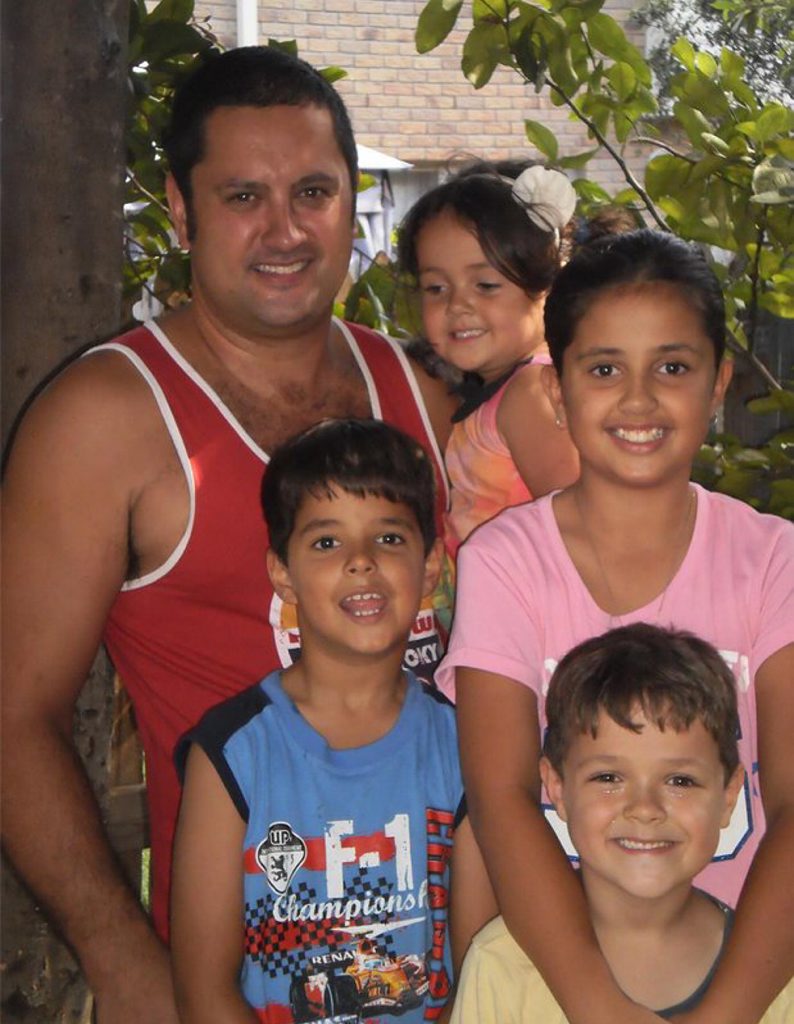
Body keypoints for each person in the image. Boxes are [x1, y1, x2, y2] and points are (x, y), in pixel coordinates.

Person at [1, 46, 454, 1024]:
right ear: (180, 208)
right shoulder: (105, 419)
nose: (284, 229)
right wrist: (124, 959)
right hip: (239, 986)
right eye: (243, 194)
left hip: (441, 970)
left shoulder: (413, 396)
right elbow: (10, 713)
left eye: (314, 190)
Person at [435, 229, 794, 1024]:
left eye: (672, 367)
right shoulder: (507, 562)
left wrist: (725, 1012)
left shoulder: (774, 562)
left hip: (759, 981)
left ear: (718, 383)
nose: (638, 399)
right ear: (557, 392)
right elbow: (502, 799)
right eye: (603, 369)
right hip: (561, 987)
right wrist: (599, 1008)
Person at [170, 419, 495, 1023]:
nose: (361, 563)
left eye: (390, 539)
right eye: (326, 543)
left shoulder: (465, 748)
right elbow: (204, 991)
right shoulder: (231, 753)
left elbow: (480, 968)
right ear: (282, 573)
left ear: (430, 567)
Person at [451, 623, 794, 1022]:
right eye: (609, 778)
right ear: (557, 788)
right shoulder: (499, 967)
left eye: (680, 781)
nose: (645, 808)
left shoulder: (779, 980)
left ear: (729, 796)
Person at [397, 160, 580, 556]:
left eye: (485, 285)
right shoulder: (501, 392)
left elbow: (579, 525)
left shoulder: (529, 393)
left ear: (547, 283)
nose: (458, 305)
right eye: (435, 287)